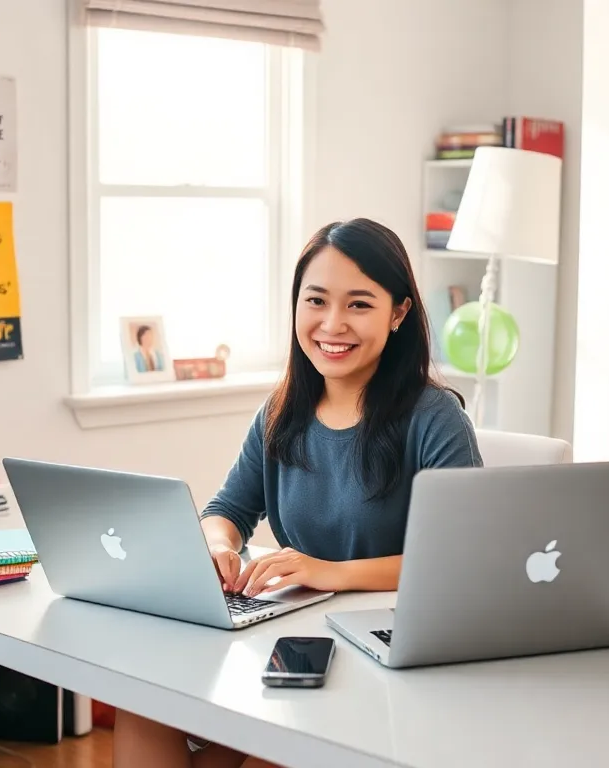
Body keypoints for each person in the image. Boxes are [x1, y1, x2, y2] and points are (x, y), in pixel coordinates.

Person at [111, 218, 482, 767]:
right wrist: (218, 546)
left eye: (359, 304)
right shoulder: (283, 409)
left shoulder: (434, 418)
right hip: (295, 640)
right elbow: (227, 510)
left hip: (389, 652)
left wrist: (330, 572)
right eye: (316, 301)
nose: (333, 324)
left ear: (399, 312)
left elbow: (461, 561)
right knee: (141, 703)